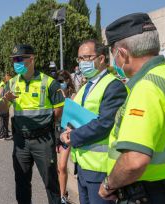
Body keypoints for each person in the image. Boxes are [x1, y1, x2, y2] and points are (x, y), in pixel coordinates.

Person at [98, 13, 165, 203]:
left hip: (149, 190)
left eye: (113, 54)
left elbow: (134, 161)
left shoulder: (146, 88)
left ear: (122, 54)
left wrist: (108, 184)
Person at [61, 39, 128, 204]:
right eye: (80, 59)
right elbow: (75, 117)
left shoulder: (114, 86)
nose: (83, 63)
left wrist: (74, 136)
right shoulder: (85, 86)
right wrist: (65, 131)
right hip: (83, 166)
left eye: (87, 57)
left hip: (100, 168)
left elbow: (104, 124)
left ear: (102, 59)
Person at [0, 44, 64, 204]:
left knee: (50, 183)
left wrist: (44, 126)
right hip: (21, 141)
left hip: (43, 141)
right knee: (21, 183)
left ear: (32, 59)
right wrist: (5, 100)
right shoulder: (11, 83)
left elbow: (59, 109)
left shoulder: (49, 83)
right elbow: (2, 110)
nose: (16, 62)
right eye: (14, 60)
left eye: (20, 59)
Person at [56, 70, 76, 203]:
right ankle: (61, 192)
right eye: (58, 81)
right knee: (56, 167)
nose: (60, 84)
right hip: (55, 132)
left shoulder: (74, 95)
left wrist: (65, 99)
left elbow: (74, 115)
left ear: (68, 81)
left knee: (63, 166)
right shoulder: (55, 93)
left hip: (67, 133)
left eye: (62, 81)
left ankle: (63, 196)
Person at [0, 73, 12, 140]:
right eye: (9, 78)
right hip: (1, 105)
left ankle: (6, 135)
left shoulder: (4, 84)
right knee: (3, 121)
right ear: (6, 78)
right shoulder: (2, 85)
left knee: (5, 121)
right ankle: (1, 136)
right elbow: (2, 95)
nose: (10, 80)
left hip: (4, 105)